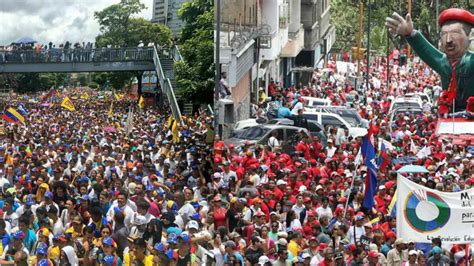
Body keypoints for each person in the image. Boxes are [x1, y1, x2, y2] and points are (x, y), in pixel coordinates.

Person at [386, 8, 474, 113]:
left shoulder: (471, 61)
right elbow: (426, 52)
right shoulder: (444, 63)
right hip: (449, 120)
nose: (448, 40)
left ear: (471, 35)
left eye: (455, 33)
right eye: (444, 34)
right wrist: (410, 34)